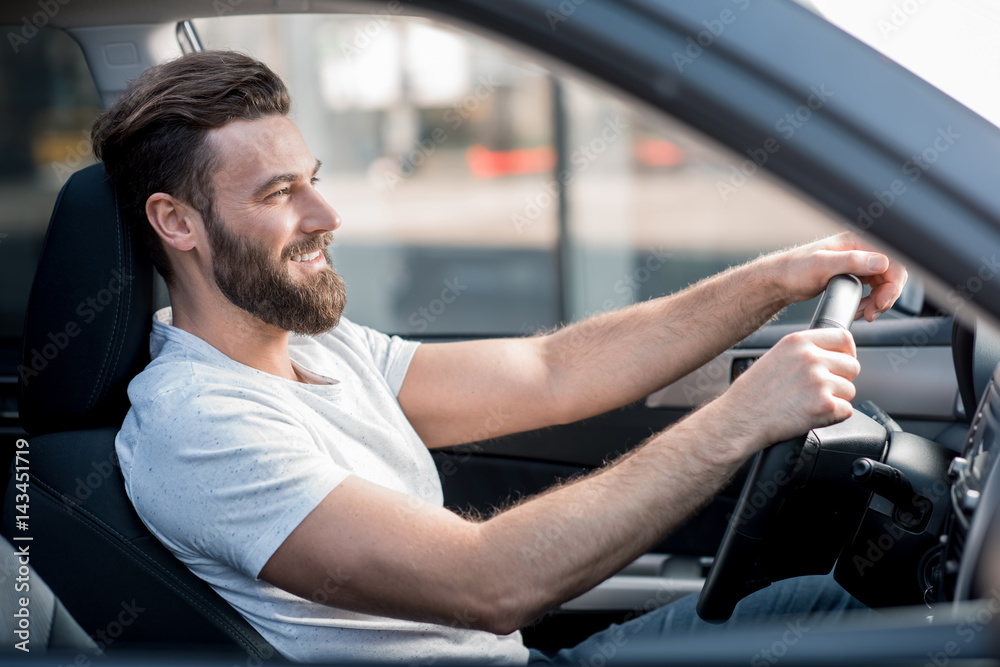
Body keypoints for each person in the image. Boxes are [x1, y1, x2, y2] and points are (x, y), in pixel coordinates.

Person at [98, 51, 906, 664]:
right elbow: (488, 583)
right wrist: (742, 417)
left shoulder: (320, 346)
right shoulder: (195, 425)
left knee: (859, 601)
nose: (325, 212)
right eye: (279, 194)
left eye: (312, 180)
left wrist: (777, 278)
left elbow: (552, 371)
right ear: (177, 223)